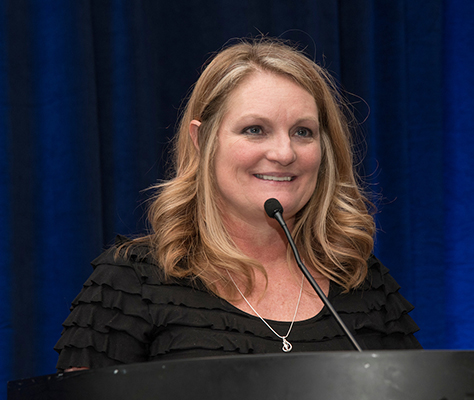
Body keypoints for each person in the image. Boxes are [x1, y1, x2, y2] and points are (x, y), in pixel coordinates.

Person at [54, 37, 422, 371]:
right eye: (254, 130)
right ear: (202, 140)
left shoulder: (363, 281)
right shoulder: (127, 284)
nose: (284, 153)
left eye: (303, 132)